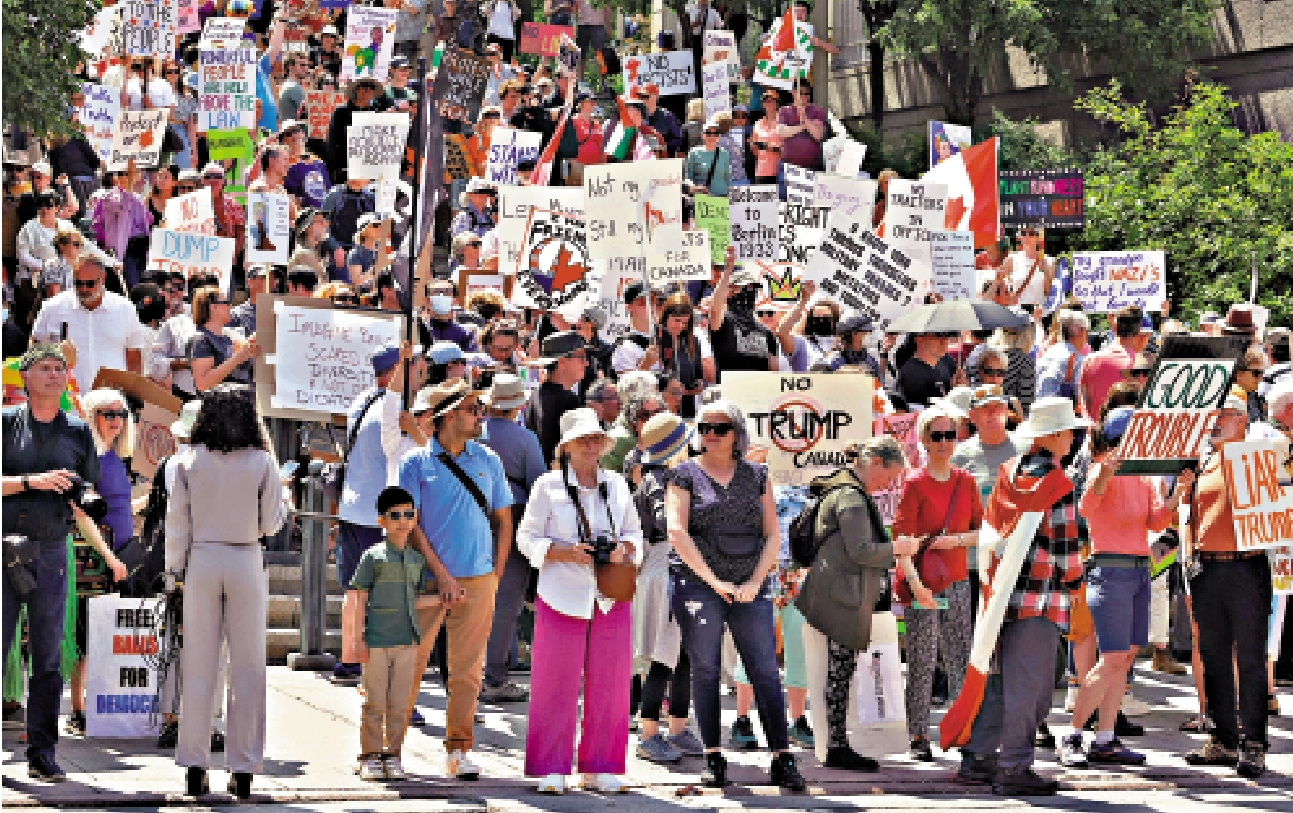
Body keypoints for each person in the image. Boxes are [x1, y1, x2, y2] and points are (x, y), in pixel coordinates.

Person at [664, 399, 807, 790]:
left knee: (764, 668)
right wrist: (715, 582)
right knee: (706, 668)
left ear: (737, 433)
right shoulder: (684, 475)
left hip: (750, 582)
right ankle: (713, 755)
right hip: (698, 582)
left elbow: (773, 533)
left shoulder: (758, 474)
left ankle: (782, 757)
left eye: (720, 428)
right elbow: (677, 532)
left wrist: (754, 582)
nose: (711, 435)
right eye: (705, 427)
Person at [957, 397, 1088, 796]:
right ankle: (1013, 765)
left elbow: (992, 531)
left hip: (1000, 592)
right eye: (1069, 432)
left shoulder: (1009, 470)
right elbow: (1066, 551)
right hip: (1040, 597)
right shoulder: (1058, 483)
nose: (1073, 439)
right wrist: (1078, 591)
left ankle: (978, 757)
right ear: (1053, 437)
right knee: (1029, 687)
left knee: (1000, 681)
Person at [165, 384, 289, 800]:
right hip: (245, 556)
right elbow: (273, 523)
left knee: (198, 666)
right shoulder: (261, 462)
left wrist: (172, 575)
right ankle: (243, 767)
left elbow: (176, 525)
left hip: (201, 558)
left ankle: (194, 765)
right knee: (249, 667)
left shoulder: (188, 460)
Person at [1057, 406, 1193, 768]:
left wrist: (1178, 492)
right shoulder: (1102, 468)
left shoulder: (1144, 477)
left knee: (1126, 657)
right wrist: (1104, 472)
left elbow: (1156, 519)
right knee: (1114, 657)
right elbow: (1086, 508)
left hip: (1138, 570)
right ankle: (1071, 735)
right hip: (1109, 569)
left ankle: (1104, 737)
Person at [517, 408, 644, 793]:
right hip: (561, 593)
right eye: (584, 439)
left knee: (611, 684)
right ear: (567, 446)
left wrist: (623, 549)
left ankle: (599, 766)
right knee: (554, 682)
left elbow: (636, 534)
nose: (591, 445)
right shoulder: (547, 486)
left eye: (596, 439)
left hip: (609, 596)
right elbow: (527, 538)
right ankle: (550, 768)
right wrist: (563, 553)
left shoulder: (618, 485)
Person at [398, 379, 514, 780]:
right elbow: (410, 524)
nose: (479, 414)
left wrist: (495, 571)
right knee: (408, 665)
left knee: (467, 670)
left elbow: (504, 518)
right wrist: (442, 574)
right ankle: (388, 750)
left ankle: (459, 750)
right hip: (426, 579)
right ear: (446, 416)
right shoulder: (414, 463)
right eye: (471, 408)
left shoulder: (490, 459)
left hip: (478, 579)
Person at [1, 345, 107, 781]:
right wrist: (31, 482)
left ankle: (42, 752)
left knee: (47, 656)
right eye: (43, 368)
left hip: (51, 550)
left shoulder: (79, 431)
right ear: (25, 378)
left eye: (59, 368)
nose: (52, 374)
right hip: (5, 547)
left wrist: (79, 497)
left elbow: (88, 495)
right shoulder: (6, 424)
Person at [796, 435, 914, 771]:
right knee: (838, 673)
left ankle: (835, 744)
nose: (887, 484)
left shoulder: (844, 490)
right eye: (889, 476)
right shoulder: (851, 497)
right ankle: (837, 747)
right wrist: (899, 548)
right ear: (875, 462)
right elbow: (861, 550)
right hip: (842, 596)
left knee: (836, 673)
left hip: (837, 591)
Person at [1181, 388, 1270, 777]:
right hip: (1207, 568)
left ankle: (1253, 743)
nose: (1215, 420)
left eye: (1226, 414)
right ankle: (1222, 738)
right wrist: (1190, 557)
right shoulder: (1203, 463)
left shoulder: (1255, 459)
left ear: (1242, 420)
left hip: (1246, 568)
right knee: (1213, 656)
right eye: (1212, 413)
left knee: (1249, 659)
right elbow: (1191, 517)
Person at [892, 406, 981, 761]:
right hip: (922, 583)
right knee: (923, 660)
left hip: (957, 580)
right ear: (925, 441)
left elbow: (983, 531)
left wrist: (955, 541)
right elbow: (901, 538)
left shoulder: (966, 480)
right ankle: (917, 734)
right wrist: (915, 586)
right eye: (937, 436)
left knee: (960, 658)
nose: (944, 442)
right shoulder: (914, 482)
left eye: (950, 435)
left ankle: (961, 730)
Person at [333, 344, 420, 685]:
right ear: (397, 371)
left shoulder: (361, 400)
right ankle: (370, 663)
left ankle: (348, 661)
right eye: (412, 368)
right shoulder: (390, 406)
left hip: (351, 507)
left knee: (354, 593)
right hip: (374, 513)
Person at [632, 413, 704, 764]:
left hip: (674, 567)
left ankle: (677, 727)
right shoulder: (663, 480)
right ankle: (649, 733)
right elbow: (664, 522)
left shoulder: (664, 477)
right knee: (664, 657)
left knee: (683, 657)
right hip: (668, 569)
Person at [348, 486, 427, 782]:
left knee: (399, 704)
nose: (403, 520)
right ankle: (369, 756)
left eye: (409, 514)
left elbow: (415, 600)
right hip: (377, 641)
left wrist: (447, 599)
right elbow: (359, 597)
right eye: (395, 515)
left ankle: (392, 756)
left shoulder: (417, 561)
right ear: (382, 521)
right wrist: (357, 639)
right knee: (375, 702)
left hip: (407, 641)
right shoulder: (373, 557)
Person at [478, 375, 547, 702]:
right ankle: (494, 677)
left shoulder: (475, 433)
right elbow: (538, 485)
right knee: (506, 600)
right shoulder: (525, 439)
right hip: (514, 515)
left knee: (474, 594)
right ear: (519, 404)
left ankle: (470, 673)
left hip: (475, 514)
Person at [32, 254, 146, 388]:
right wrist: (55, 353)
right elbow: (34, 350)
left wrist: (133, 397)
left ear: (103, 278)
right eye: (78, 283)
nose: (84, 289)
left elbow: (133, 358)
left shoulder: (125, 309)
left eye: (90, 283)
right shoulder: (53, 307)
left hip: (111, 403)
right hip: (66, 402)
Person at [708, 247, 778, 379]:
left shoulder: (767, 333)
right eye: (745, 288)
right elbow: (714, 309)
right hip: (729, 394)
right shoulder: (724, 322)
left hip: (757, 395)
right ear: (730, 291)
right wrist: (727, 270)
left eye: (753, 289)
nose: (750, 292)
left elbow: (773, 373)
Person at [527, 331, 588, 465]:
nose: (586, 363)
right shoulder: (568, 400)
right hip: (563, 479)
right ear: (562, 361)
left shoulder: (536, 394)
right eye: (582, 358)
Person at [1078, 306, 1144, 418]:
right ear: (1138, 331)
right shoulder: (1142, 366)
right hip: (1128, 431)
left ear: (1114, 326)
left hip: (1094, 431)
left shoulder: (1089, 361)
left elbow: (1083, 403)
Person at [189, 286, 259, 391]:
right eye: (226, 302)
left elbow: (246, 348)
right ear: (213, 308)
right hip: (218, 404)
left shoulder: (228, 335)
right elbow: (202, 383)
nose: (230, 306)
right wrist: (236, 359)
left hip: (242, 402)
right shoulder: (200, 340)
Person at [896, 332, 961, 408]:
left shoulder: (947, 361)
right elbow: (921, 413)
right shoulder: (912, 374)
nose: (944, 340)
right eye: (938, 335)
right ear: (919, 339)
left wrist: (959, 389)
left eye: (947, 335)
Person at [1036, 309, 1088, 403]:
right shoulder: (1077, 359)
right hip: (1057, 413)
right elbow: (1080, 396)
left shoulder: (1048, 352)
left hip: (1038, 410)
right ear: (1082, 332)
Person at [777, 83, 825, 172]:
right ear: (793, 92)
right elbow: (782, 133)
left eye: (807, 93)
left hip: (810, 166)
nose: (804, 96)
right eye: (801, 92)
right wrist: (805, 126)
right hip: (788, 165)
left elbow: (818, 135)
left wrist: (805, 118)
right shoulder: (784, 110)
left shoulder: (818, 110)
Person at [685, 118, 732, 196]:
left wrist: (730, 195)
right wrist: (694, 187)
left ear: (719, 136)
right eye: (708, 133)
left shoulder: (724, 153)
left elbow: (728, 178)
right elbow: (688, 177)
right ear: (702, 135)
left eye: (715, 133)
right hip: (702, 198)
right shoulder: (694, 152)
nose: (712, 136)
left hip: (721, 197)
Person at [750, 90, 783, 184]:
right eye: (765, 100)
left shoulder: (783, 122)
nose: (768, 103)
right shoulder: (757, 124)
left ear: (777, 103)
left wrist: (769, 147)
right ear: (763, 104)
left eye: (771, 100)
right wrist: (753, 146)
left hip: (779, 172)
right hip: (761, 172)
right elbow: (756, 152)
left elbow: (788, 149)